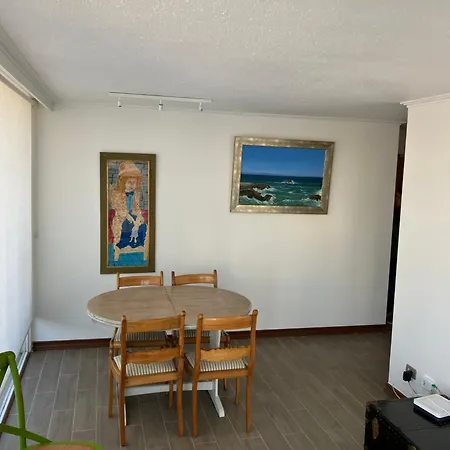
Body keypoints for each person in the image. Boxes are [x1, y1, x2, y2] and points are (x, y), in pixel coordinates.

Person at [110, 161, 147, 261]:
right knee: (126, 225)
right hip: (122, 217)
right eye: (129, 182)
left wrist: (139, 217)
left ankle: (138, 245)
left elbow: (137, 207)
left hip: (133, 215)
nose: (132, 185)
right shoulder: (116, 193)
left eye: (134, 183)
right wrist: (129, 217)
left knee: (143, 225)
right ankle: (122, 245)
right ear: (123, 182)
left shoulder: (136, 193)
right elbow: (118, 207)